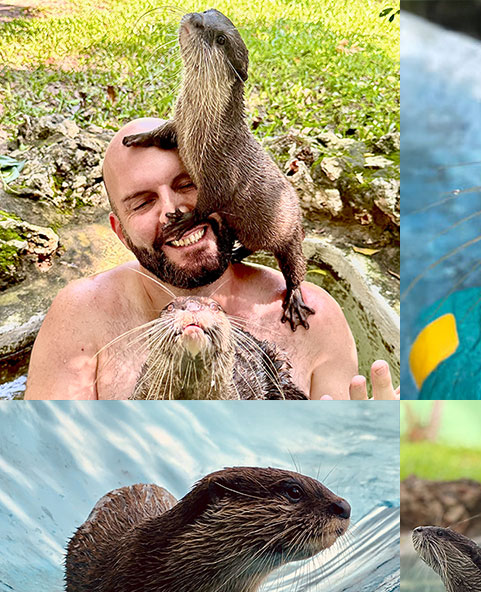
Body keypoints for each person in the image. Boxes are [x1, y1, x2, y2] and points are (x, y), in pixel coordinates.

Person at [25, 118, 398, 400]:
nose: (172, 210)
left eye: (187, 184)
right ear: (120, 233)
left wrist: (377, 443)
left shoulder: (311, 317)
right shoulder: (82, 314)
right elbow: (45, 463)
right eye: (143, 202)